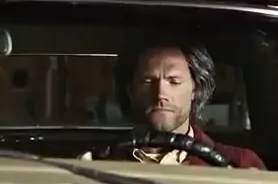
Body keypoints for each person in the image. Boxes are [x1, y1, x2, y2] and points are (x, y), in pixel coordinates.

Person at [80, 34, 266, 169]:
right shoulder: (93, 165)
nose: (161, 94)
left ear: (196, 90)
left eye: (174, 81)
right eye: (147, 81)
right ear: (130, 91)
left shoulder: (241, 164)